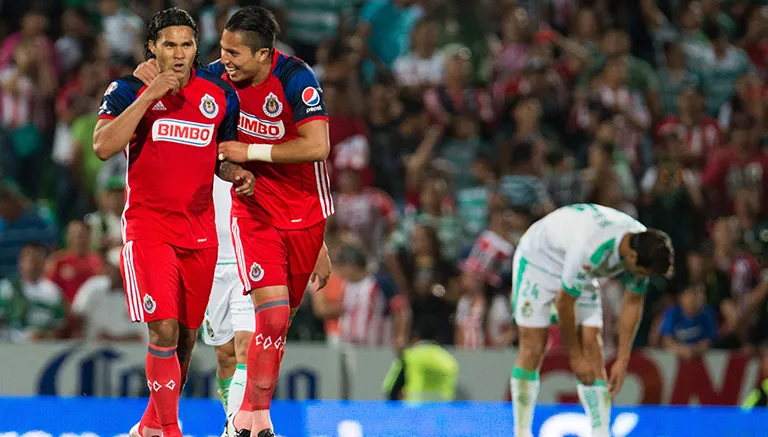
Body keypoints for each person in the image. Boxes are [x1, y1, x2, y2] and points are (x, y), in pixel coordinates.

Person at [133, 7, 333, 437]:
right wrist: (144, 75)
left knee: (258, 332)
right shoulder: (214, 82)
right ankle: (167, 422)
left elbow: (314, 151)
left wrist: (317, 241)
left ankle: (245, 423)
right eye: (220, 50)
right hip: (209, 232)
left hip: (270, 221)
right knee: (219, 350)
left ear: (264, 54)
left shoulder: (294, 80)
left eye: (234, 53)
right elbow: (161, 75)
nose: (223, 60)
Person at [92, 8, 255, 437]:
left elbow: (220, 156)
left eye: (186, 44)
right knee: (162, 330)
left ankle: (149, 426)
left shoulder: (220, 94)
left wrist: (236, 173)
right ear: (152, 48)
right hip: (150, 230)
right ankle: (170, 431)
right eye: (169, 44)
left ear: (196, 47)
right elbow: (103, 146)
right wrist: (149, 94)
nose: (179, 53)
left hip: (200, 234)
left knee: (184, 342)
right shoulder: (127, 88)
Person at [510, 203, 673, 437]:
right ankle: (521, 431)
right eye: (644, 273)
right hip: (541, 259)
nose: (642, 277)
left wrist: (622, 359)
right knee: (534, 345)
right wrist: (575, 358)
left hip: (579, 267)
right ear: (632, 256)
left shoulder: (643, 243)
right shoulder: (591, 249)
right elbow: (565, 303)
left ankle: (600, 432)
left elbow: (633, 301)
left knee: (593, 345)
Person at [204, 175, 255, 424]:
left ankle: (237, 426)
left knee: (247, 346)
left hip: (248, 251)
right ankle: (232, 417)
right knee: (225, 354)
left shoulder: (246, 140)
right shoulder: (199, 141)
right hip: (210, 257)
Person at [382, 314, 459, 402]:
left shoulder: (409, 356)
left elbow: (391, 388)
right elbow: (450, 391)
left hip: (413, 411)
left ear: (416, 336)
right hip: (440, 412)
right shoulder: (450, 361)